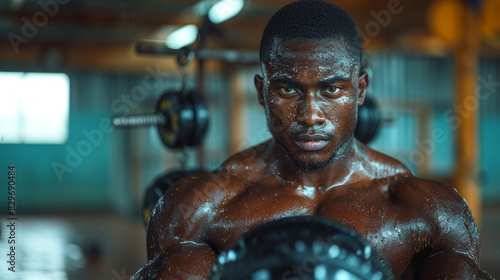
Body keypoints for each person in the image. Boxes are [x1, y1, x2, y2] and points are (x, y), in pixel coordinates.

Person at [132, 0, 493, 279]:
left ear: (360, 90)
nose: (309, 115)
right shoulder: (200, 210)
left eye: (331, 89)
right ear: (262, 92)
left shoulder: (425, 212)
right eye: (288, 89)